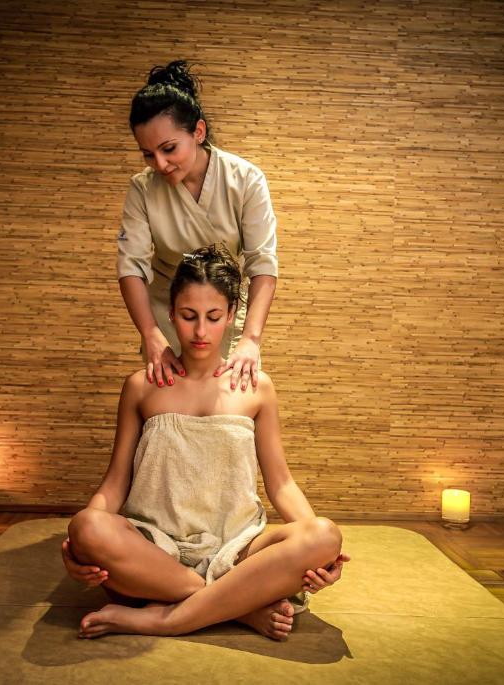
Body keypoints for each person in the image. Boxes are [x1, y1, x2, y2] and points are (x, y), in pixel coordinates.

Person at [62, 245, 350, 640]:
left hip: (237, 548)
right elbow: (115, 484)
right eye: (188, 316)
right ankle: (238, 607)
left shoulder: (257, 388)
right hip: (155, 550)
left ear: (231, 315)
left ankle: (164, 618)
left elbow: (281, 484)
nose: (200, 332)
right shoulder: (142, 387)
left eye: (213, 317)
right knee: (86, 526)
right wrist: (76, 545)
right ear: (170, 313)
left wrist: (321, 555)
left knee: (325, 535)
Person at [118, 60, 279, 393]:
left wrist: (250, 339)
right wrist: (151, 334)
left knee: (231, 407)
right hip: (168, 316)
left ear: (199, 132)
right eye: (148, 154)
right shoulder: (143, 189)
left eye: (169, 149)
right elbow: (130, 267)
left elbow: (262, 263)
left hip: (224, 316)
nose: (160, 164)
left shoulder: (245, 180)